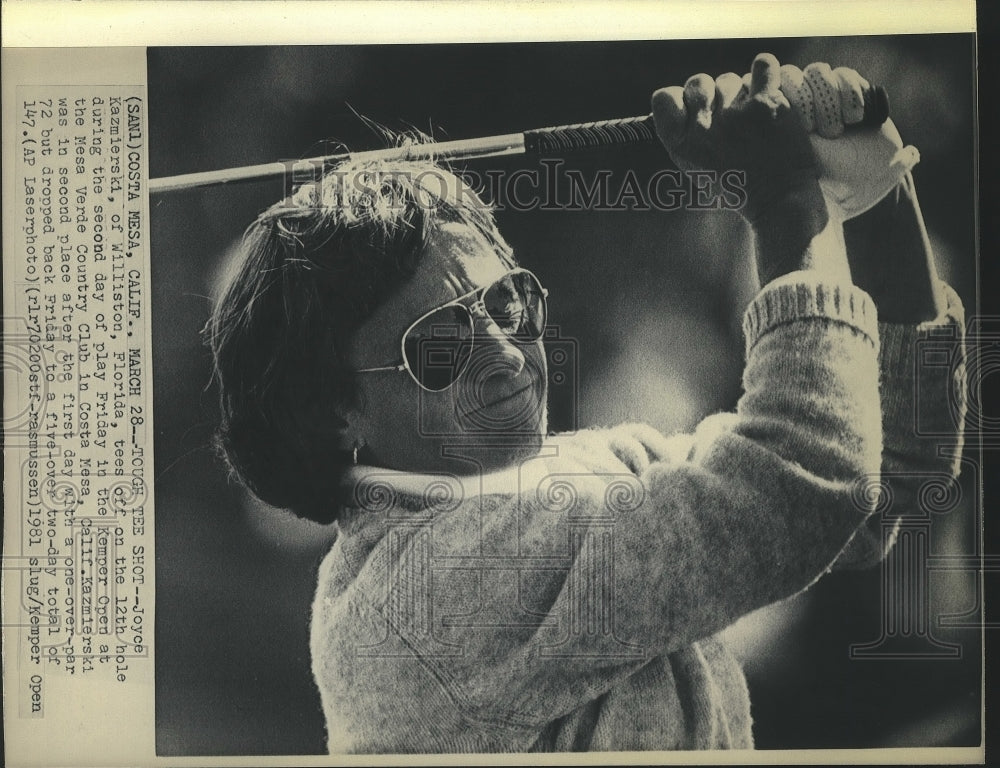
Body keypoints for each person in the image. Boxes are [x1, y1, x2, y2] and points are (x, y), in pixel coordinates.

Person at [206, 54, 966, 752]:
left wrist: (877, 193)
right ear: (334, 410)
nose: (502, 350)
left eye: (505, 303)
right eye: (439, 342)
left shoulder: (589, 469)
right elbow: (804, 480)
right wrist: (779, 201)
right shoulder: (416, 596)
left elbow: (873, 490)